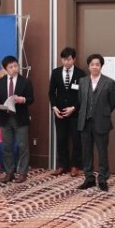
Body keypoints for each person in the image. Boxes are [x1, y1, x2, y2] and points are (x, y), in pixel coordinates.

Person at [77, 54, 115, 191]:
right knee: (86, 152)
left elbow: (113, 102)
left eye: (97, 64)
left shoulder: (109, 82)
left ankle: (103, 178)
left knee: (102, 151)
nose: (94, 67)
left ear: (101, 66)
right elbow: (80, 100)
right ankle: (89, 178)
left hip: (101, 121)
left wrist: (103, 112)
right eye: (92, 64)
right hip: (85, 122)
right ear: (88, 66)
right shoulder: (82, 81)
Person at [0, 55, 34, 184]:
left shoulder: (25, 82)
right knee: (7, 147)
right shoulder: (0, 82)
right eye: (11, 67)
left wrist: (23, 99)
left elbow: (31, 99)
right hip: (5, 118)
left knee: (23, 146)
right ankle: (9, 172)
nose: (14, 68)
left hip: (20, 118)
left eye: (16, 66)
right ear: (5, 69)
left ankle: (22, 173)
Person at [48, 47, 86, 177]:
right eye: (64, 59)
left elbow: (83, 95)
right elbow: (51, 92)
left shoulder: (81, 74)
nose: (66, 62)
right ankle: (62, 165)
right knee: (61, 139)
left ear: (74, 59)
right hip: (59, 112)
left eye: (69, 59)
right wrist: (54, 107)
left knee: (76, 139)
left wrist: (74, 108)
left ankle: (75, 166)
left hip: (75, 112)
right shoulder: (56, 72)